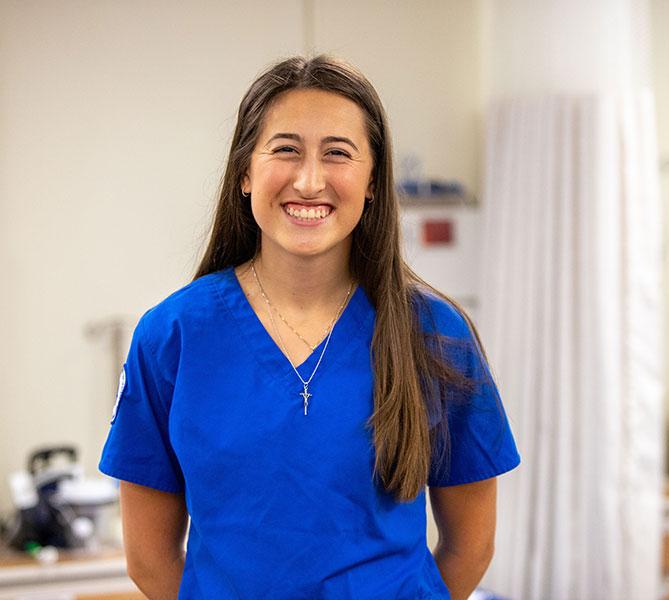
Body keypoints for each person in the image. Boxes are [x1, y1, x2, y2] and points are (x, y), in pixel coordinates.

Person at [99, 55, 520, 600]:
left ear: (372, 181)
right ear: (245, 173)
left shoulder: (436, 336)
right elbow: (149, 560)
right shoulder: (171, 337)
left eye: (339, 154)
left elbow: (472, 546)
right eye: (286, 149)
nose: (310, 180)